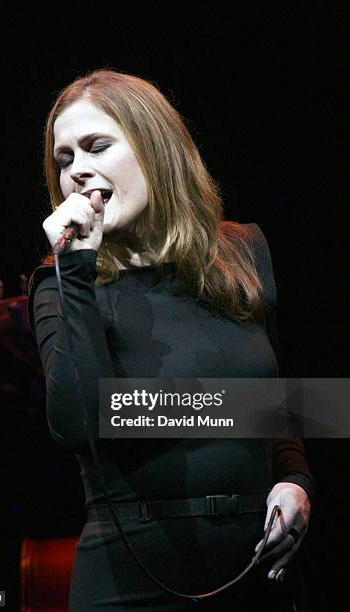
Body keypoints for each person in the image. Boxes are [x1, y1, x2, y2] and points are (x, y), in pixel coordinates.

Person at [27, 68, 316, 611]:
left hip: (258, 571)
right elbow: (78, 424)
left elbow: (284, 407)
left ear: (154, 148)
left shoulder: (242, 252)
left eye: (96, 147)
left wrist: (296, 479)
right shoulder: (62, 281)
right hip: (132, 582)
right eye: (64, 159)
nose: (77, 172)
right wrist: (78, 269)